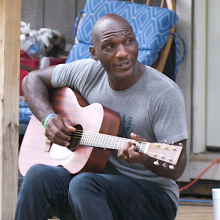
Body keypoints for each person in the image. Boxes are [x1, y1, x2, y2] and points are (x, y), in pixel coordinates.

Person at [15, 14, 188, 220]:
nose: (122, 53)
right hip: (93, 188)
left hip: (153, 198)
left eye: (128, 42)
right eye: (109, 46)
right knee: (38, 176)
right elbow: (32, 79)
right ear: (94, 53)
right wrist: (49, 119)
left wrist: (145, 157)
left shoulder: (163, 93)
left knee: (85, 184)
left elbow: (177, 166)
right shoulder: (87, 72)